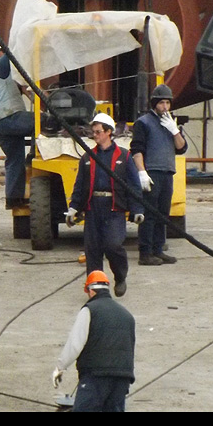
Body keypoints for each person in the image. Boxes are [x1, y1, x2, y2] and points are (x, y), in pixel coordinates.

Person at [65, 113, 144, 298]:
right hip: (93, 208)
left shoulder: (124, 157)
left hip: (114, 209)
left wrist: (138, 209)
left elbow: (133, 185)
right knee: (92, 251)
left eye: (99, 132)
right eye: (93, 132)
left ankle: (120, 276)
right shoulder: (87, 157)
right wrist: (73, 207)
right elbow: (80, 185)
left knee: (113, 245)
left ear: (109, 132)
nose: (95, 135)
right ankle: (96, 289)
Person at [52, 271, 136, 412]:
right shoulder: (127, 315)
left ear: (90, 291)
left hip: (96, 376)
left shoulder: (90, 310)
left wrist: (60, 367)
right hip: (122, 377)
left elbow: (75, 343)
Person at [130, 84, 188, 266]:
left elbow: (181, 147)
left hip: (167, 173)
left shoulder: (170, 123)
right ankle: (145, 253)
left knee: (163, 213)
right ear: (155, 104)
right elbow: (137, 150)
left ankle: (158, 249)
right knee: (149, 213)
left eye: (167, 103)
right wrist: (141, 172)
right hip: (152, 172)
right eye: (161, 103)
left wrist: (175, 130)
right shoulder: (144, 123)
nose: (165, 107)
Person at [0, 38, 34, 209]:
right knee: (45, 122)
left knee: (14, 160)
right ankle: (34, 158)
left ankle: (13, 199)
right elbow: (11, 55)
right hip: (11, 117)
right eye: (0, 51)